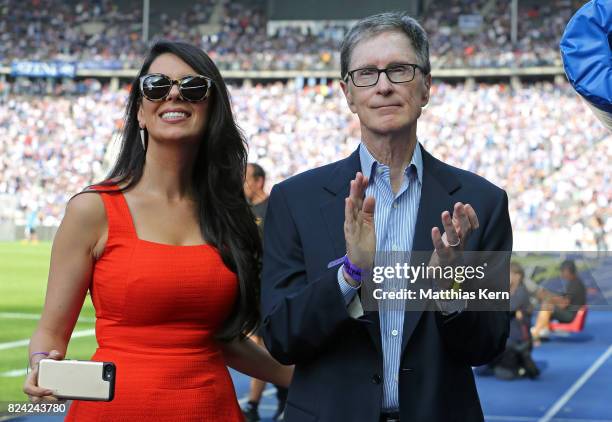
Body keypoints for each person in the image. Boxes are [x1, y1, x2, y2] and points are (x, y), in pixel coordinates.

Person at [260, 12, 512, 422]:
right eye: (366, 74)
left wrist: (446, 284)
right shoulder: (295, 200)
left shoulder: (480, 203)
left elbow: (487, 346)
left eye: (399, 69)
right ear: (347, 93)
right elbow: (281, 337)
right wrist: (350, 274)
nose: (383, 86)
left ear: (426, 86)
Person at [23, 40, 292, 420]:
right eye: (156, 85)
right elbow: (50, 334)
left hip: (209, 409)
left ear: (212, 108)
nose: (174, 94)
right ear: (139, 112)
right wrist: (40, 363)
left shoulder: (231, 217)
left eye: (194, 86)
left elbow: (218, 341)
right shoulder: (92, 209)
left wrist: (305, 378)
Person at [242, 162, 288, 421]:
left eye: (246, 178)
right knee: (261, 344)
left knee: (265, 344)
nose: (242, 184)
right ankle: (276, 398)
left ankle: (255, 404)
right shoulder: (245, 211)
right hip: (253, 287)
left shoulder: (275, 207)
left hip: (270, 287)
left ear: (259, 181)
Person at [531, 259, 587, 344]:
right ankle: (542, 331)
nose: (560, 273)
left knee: (547, 306)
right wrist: (549, 296)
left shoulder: (575, 285)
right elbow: (563, 299)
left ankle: (537, 332)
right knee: (547, 304)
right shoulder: (575, 282)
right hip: (570, 312)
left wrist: (548, 298)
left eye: (562, 271)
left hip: (571, 315)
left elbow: (563, 305)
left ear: (568, 271)